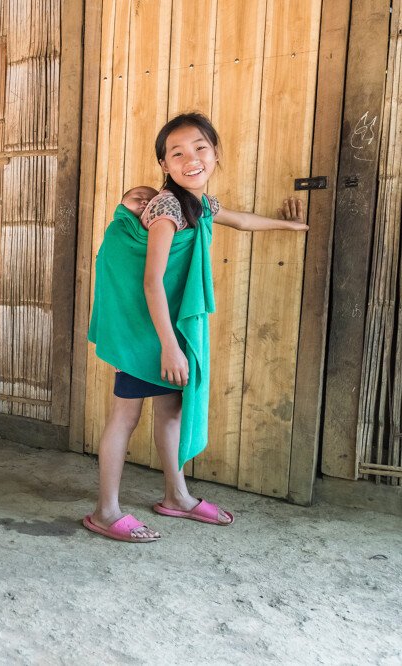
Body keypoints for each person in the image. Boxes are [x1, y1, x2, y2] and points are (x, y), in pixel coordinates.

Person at [84, 112, 308, 543]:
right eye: (177, 153)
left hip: (166, 328)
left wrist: (289, 224)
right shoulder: (168, 207)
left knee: (171, 410)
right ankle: (106, 511)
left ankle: (177, 496)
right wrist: (170, 347)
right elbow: (152, 282)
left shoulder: (199, 204)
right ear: (164, 165)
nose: (191, 159)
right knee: (126, 415)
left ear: (216, 153)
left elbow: (240, 220)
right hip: (147, 330)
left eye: (200, 148)